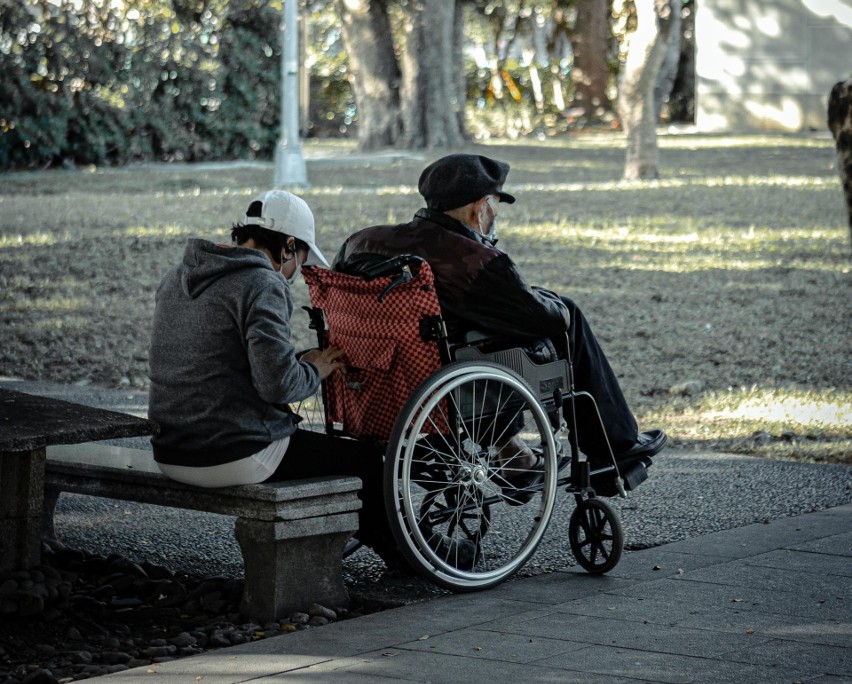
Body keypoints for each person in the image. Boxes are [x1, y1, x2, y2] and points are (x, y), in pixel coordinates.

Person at [333, 154, 667, 495]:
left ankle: (514, 452)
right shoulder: (476, 261)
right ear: (479, 208)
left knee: (479, 340)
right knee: (568, 316)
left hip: (377, 374)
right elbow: (545, 319)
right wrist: (553, 302)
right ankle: (616, 449)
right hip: (450, 377)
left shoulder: (362, 242)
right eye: (495, 205)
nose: (495, 215)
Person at [147, 190, 403, 566]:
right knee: (364, 460)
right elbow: (278, 386)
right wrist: (315, 369)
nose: (297, 270)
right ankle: (406, 559)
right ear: (286, 246)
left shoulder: (180, 275)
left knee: (334, 457)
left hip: (170, 449)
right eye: (299, 257)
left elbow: (226, 360)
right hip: (231, 452)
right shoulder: (262, 283)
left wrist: (302, 360)